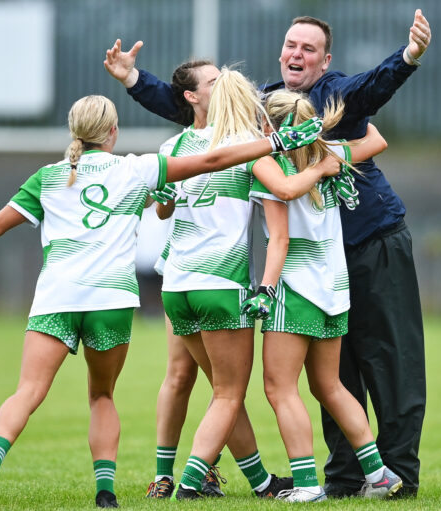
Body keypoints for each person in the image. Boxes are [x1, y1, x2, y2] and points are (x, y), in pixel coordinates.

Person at [0, 94, 324, 510]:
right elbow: (211, 161)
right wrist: (274, 142)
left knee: (28, 391)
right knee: (101, 395)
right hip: (110, 300)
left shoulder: (48, 176)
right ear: (113, 131)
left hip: (56, 298)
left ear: (74, 132)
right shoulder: (135, 169)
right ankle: (105, 493)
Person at [103, 9, 431, 497]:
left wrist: (407, 57)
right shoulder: (277, 118)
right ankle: (353, 475)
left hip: (360, 247)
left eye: (308, 48)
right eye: (291, 45)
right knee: (330, 380)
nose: (296, 53)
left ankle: (383, 473)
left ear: (325, 60)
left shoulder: (328, 100)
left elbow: (369, 94)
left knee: (375, 364)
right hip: (326, 267)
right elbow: (196, 105)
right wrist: (134, 80)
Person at [144, 60, 295, 500]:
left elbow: (163, 208)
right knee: (228, 394)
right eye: (211, 79)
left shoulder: (174, 144)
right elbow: (285, 193)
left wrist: (164, 199)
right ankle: (192, 482)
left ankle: (258, 482)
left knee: (213, 390)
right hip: (220, 283)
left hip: (176, 286)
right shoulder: (250, 144)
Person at [242, 89, 401, 502]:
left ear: (270, 126)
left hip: (294, 289)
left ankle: (307, 485)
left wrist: (266, 290)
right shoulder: (328, 154)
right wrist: (340, 118)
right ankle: (379, 475)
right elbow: (376, 140)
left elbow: (280, 234)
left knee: (279, 388)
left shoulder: (270, 165)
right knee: (329, 386)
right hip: (334, 289)